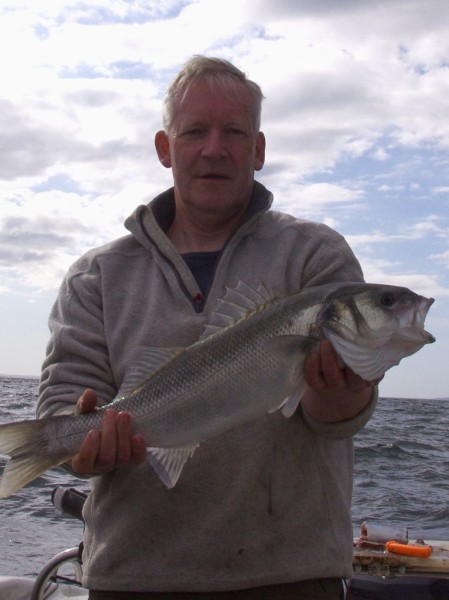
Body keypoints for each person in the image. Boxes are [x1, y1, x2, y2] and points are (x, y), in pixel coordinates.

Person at [37, 56, 378, 599]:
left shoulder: (316, 256)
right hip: (132, 577)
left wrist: (345, 390)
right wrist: (78, 440)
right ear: (164, 148)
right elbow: (63, 399)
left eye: (234, 132)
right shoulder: (97, 275)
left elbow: (332, 419)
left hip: (290, 577)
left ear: (259, 150)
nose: (214, 149)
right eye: (194, 131)